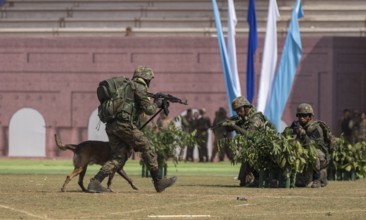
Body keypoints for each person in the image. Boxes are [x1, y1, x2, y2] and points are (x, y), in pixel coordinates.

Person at [87, 66, 176, 193]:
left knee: (119, 157)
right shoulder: (139, 86)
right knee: (147, 147)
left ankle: (95, 182)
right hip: (124, 125)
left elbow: (134, 108)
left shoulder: (126, 87)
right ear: (146, 78)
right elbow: (149, 110)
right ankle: (158, 181)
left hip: (112, 126)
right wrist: (157, 103)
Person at [222, 96, 275, 187]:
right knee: (243, 182)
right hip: (256, 148)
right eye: (236, 111)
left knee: (249, 153)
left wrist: (234, 126)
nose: (238, 113)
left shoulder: (256, 118)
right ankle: (250, 178)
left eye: (239, 110)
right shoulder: (244, 118)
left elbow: (250, 135)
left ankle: (256, 178)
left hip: (265, 149)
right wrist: (227, 127)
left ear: (246, 107)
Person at [287, 103, 329, 188]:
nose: (301, 118)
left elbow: (312, 145)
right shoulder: (297, 125)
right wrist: (291, 130)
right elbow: (286, 136)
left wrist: (302, 133)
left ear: (310, 117)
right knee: (300, 183)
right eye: (299, 116)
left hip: (318, 155)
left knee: (315, 154)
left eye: (304, 115)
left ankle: (318, 179)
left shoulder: (316, 128)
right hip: (303, 155)